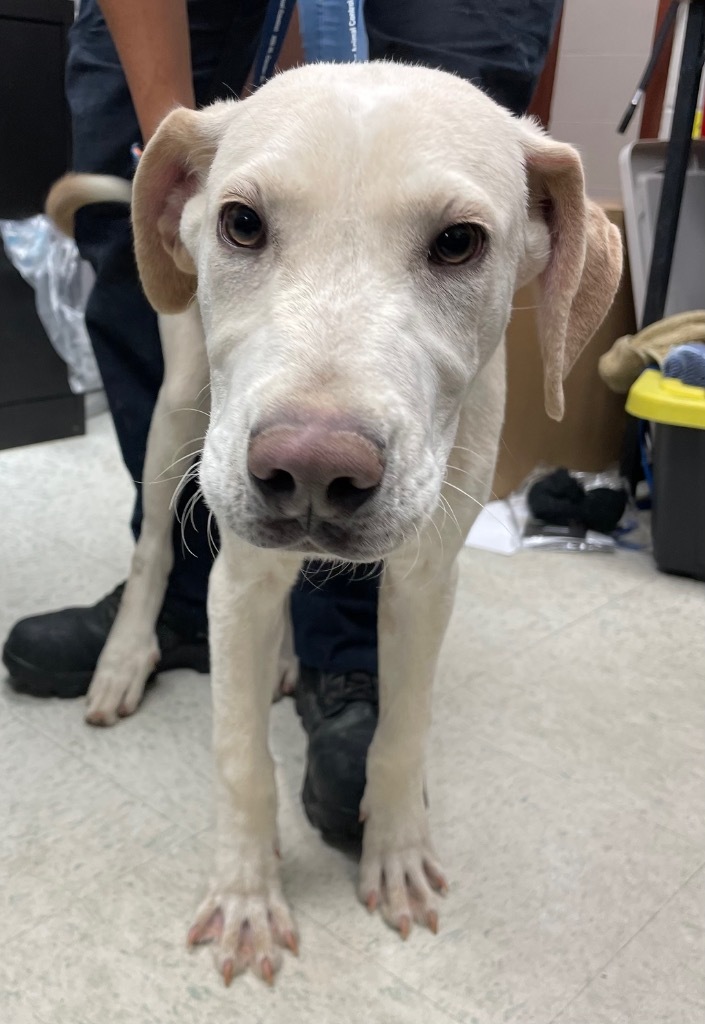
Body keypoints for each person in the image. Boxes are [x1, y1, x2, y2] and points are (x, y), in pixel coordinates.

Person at [2, 0, 561, 844]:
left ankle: (343, 670)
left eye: (453, 244)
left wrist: (398, 784)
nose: (314, 445)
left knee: (419, 565)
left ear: (548, 242)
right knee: (183, 394)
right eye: (244, 223)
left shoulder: (514, 188)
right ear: (187, 210)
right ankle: (157, 601)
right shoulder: (193, 191)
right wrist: (194, 165)